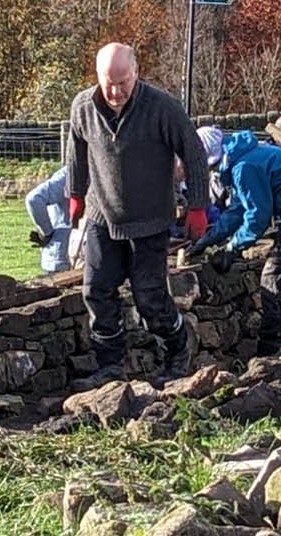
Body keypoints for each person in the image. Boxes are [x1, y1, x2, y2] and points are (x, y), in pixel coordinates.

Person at [67, 42, 209, 385]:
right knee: (96, 290)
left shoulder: (162, 108)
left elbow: (193, 153)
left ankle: (176, 353)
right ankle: (109, 367)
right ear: (97, 76)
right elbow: (76, 149)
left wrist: (198, 206)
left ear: (136, 73)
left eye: (123, 82)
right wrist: (75, 194)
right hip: (104, 213)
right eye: (108, 82)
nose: (115, 91)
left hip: (150, 216)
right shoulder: (83, 106)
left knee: (149, 295)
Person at [186, 129, 281, 356]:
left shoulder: (243, 167)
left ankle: (270, 351)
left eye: (210, 167)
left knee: (275, 278)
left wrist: (232, 248)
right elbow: (240, 208)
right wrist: (209, 239)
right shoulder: (245, 155)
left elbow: (258, 216)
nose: (211, 172)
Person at [24, 164, 73, 275]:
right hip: (63, 261)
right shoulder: (68, 176)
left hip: (65, 257)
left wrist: (46, 233)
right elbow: (34, 199)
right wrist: (47, 232)